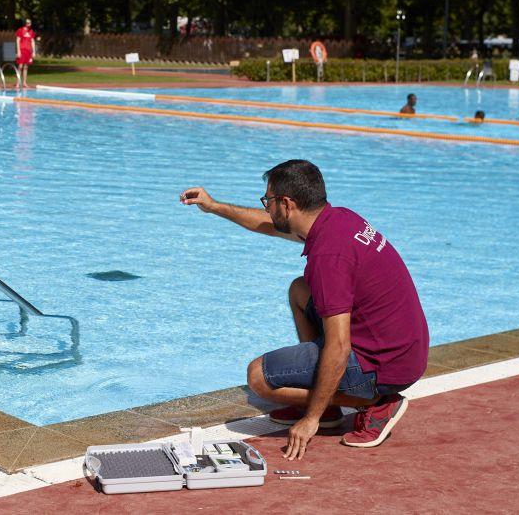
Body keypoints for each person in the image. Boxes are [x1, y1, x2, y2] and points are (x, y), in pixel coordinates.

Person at [180, 160, 429, 459]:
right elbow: (269, 224)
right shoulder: (338, 219)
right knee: (300, 290)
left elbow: (338, 345)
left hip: (385, 365)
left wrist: (310, 418)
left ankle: (375, 403)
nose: (267, 207)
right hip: (400, 349)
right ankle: (332, 404)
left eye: (268, 201)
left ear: (287, 204)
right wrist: (214, 206)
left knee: (259, 378)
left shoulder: (329, 257)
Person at [15, 18, 37, 89]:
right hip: (22, 50)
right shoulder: (20, 30)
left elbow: (32, 42)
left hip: (28, 51)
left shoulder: (31, 31)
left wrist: (34, 51)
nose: (29, 24)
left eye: (30, 23)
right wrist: (18, 51)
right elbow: (18, 41)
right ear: (25, 23)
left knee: (26, 67)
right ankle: (18, 83)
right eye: (28, 23)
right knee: (20, 66)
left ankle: (24, 82)